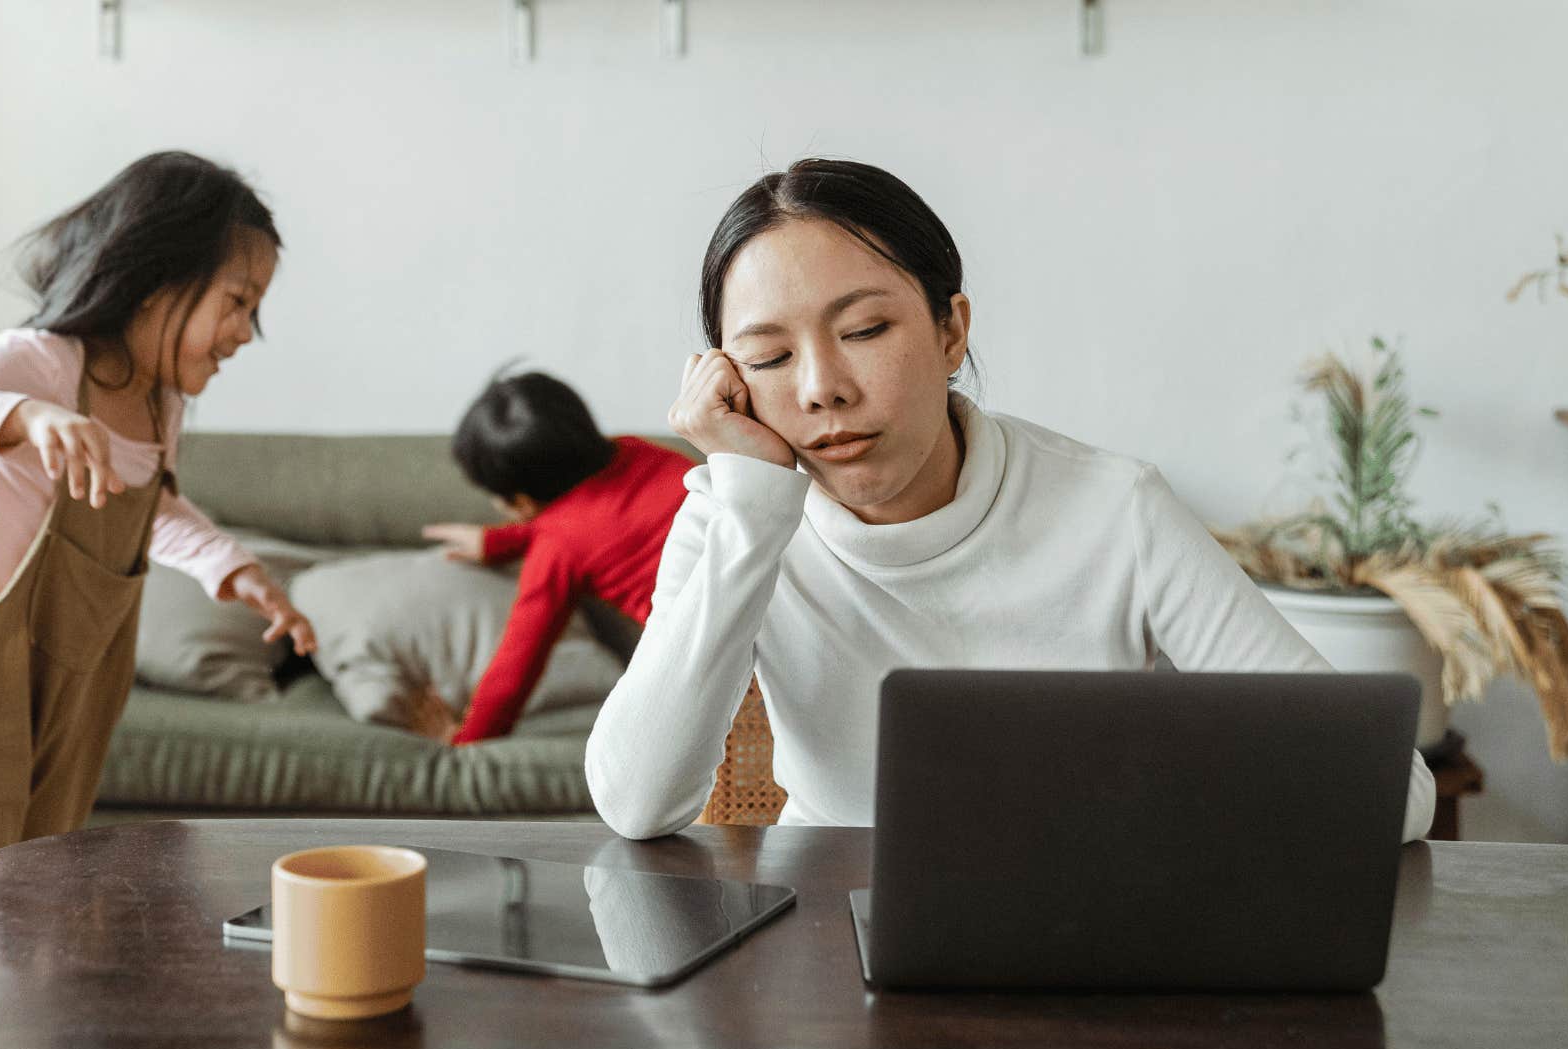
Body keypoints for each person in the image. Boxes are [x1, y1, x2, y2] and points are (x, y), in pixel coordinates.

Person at [585, 158, 1436, 841]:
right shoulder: (736, 516)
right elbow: (636, 803)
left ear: (951, 330)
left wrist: (1150, 820)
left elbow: (1392, 792)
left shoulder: (1115, 510)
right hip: (827, 943)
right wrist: (751, 508)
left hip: (1083, 927)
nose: (821, 390)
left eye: (865, 331)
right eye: (768, 359)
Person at [0, 150, 317, 930]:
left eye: (254, 310)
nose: (245, 332)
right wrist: (21, 415)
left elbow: (149, 507)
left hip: (65, 707)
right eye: (236, 301)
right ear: (157, 281)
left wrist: (234, 569)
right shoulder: (41, 365)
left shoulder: (160, 403)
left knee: (29, 920)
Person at [423, 371, 693, 745]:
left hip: (711, 656)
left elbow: (516, 666)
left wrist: (466, 738)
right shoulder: (637, 450)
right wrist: (500, 542)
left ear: (520, 501)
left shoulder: (557, 550)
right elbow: (603, 516)